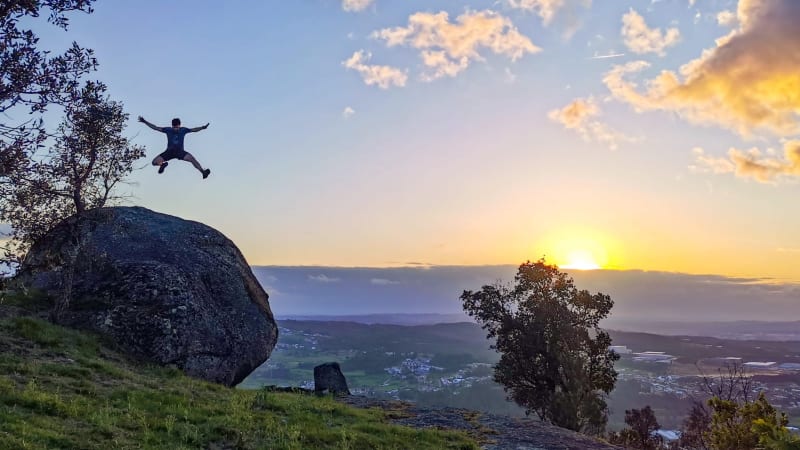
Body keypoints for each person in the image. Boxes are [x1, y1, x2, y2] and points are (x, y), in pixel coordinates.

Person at [138, 116, 211, 179]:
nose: (175, 129)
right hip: (169, 152)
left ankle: (203, 172)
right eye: (174, 127)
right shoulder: (168, 130)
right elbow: (155, 128)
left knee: (192, 159)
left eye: (177, 127)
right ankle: (162, 164)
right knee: (154, 162)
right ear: (172, 126)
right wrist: (145, 122)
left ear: (180, 125)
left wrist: (202, 128)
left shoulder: (183, 130)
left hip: (180, 152)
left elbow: (193, 130)